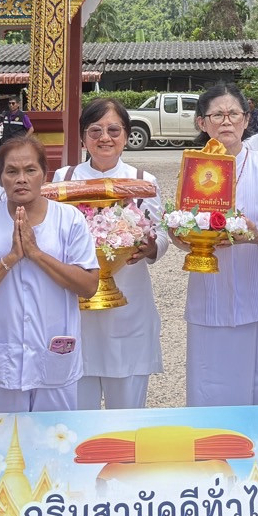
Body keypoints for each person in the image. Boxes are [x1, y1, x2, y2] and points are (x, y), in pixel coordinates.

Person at [0, 134, 99, 412]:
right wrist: (10, 258)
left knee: (56, 444)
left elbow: (89, 285)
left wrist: (36, 254)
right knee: (2, 450)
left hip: (54, 357)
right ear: (0, 178)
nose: (21, 178)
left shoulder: (69, 220)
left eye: (30, 170)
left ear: (44, 174)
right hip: (2, 362)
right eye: (12, 171)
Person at [183, 84, 258, 407]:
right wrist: (186, 236)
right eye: (217, 114)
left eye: (234, 114)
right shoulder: (192, 168)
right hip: (212, 292)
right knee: (212, 386)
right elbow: (181, 226)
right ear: (203, 123)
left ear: (246, 120)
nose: (226, 121)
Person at [59, 97, 166, 409]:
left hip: (128, 302)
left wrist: (150, 246)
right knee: (77, 412)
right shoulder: (63, 180)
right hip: (77, 305)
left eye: (113, 130)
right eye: (95, 131)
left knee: (127, 413)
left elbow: (159, 231)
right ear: (82, 137)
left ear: (126, 135)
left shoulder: (143, 181)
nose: (104, 138)